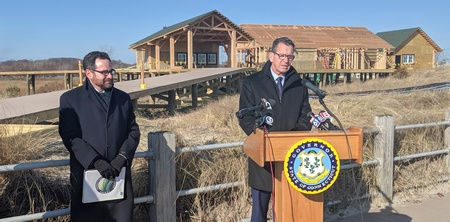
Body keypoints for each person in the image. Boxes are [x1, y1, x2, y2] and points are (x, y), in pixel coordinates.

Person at [59, 51, 140, 222]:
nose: (110, 76)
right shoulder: (70, 100)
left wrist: (121, 158)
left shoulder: (123, 98)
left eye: (111, 71)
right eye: (104, 72)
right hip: (86, 177)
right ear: (89, 73)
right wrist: (95, 161)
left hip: (119, 176)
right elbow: (70, 136)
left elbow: (133, 131)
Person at [238, 37, 312, 221]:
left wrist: (291, 140)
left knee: (289, 210)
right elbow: (245, 117)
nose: (286, 60)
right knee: (259, 214)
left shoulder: (300, 84)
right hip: (262, 157)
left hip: (292, 157)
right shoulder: (252, 82)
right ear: (271, 56)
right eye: (282, 55)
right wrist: (260, 138)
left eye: (290, 56)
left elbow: (306, 115)